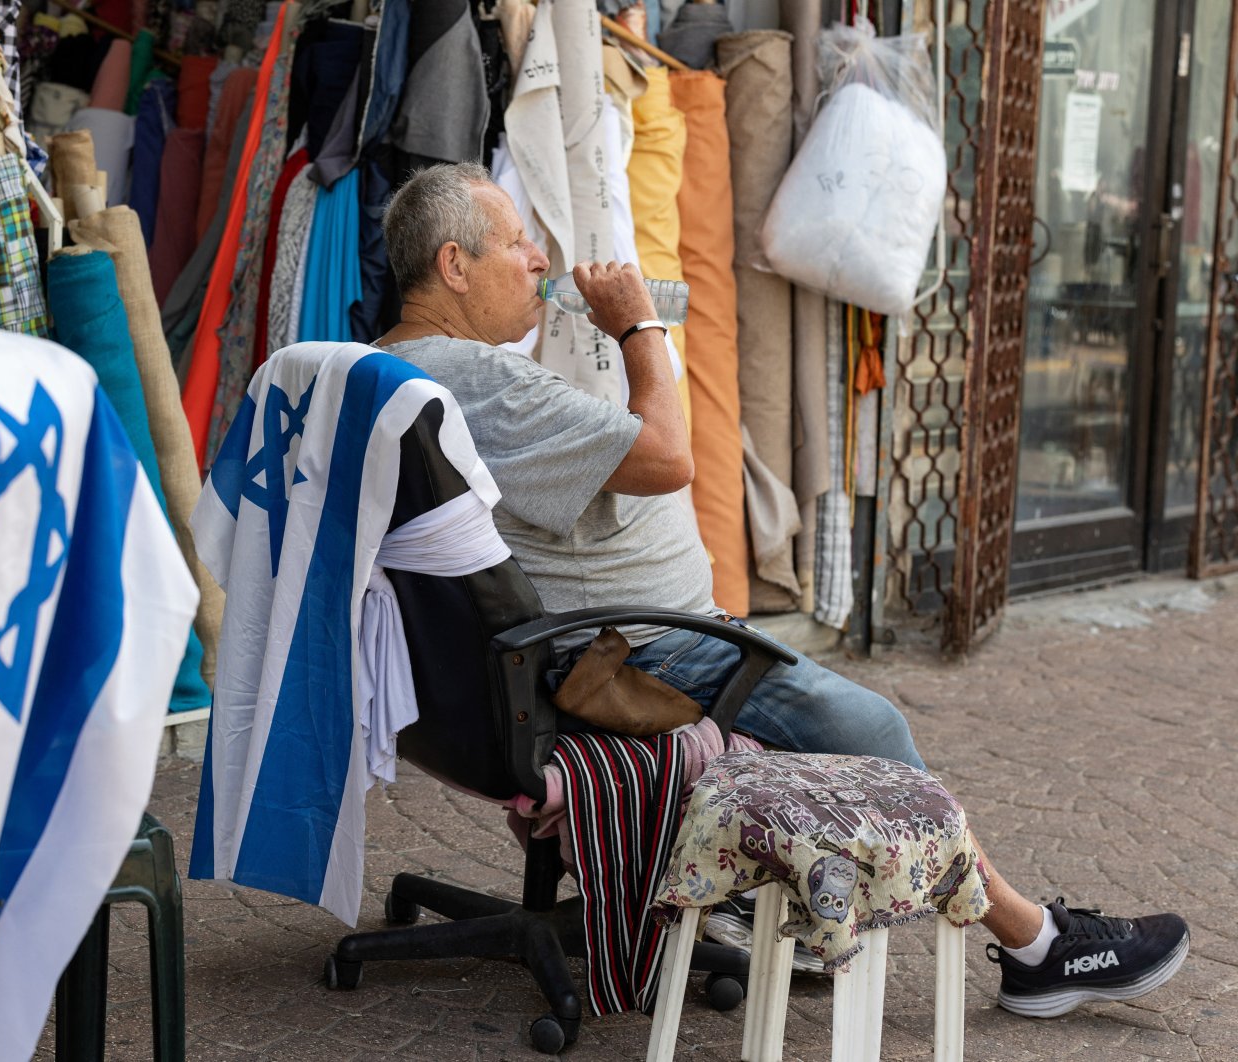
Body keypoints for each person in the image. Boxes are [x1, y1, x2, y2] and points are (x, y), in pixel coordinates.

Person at [374, 162, 1189, 1019]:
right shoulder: (481, 380)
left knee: (824, 716)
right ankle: (1038, 948)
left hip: (524, 668)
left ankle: (786, 907)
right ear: (455, 265)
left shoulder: (389, 368)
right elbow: (667, 457)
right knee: (874, 730)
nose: (539, 260)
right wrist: (640, 326)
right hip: (635, 654)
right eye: (516, 244)